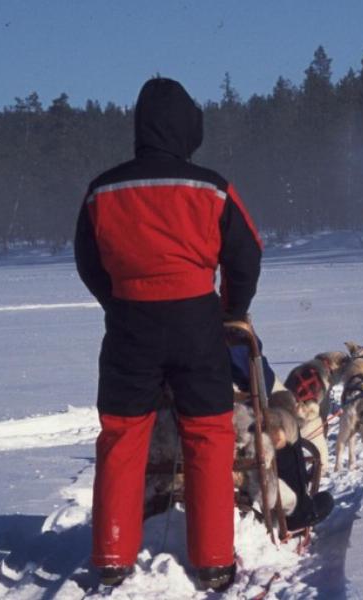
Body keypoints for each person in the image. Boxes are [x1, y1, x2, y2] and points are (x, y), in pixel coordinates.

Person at [75, 77, 262, 591]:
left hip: (130, 327)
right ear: (187, 129)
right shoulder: (211, 187)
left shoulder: (103, 189)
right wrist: (232, 312)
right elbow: (247, 255)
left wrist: (118, 301)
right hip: (196, 323)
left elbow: (88, 261)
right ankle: (215, 558)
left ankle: (112, 553)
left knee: (121, 434)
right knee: (208, 433)